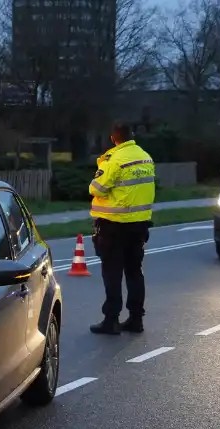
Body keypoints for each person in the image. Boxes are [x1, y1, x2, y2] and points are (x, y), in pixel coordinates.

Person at [87, 122, 156, 335]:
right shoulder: (145, 157)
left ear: (113, 138)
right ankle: (136, 319)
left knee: (112, 272)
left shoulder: (114, 159)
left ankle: (111, 320)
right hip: (139, 224)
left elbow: (95, 188)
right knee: (135, 271)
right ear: (132, 135)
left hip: (113, 225)